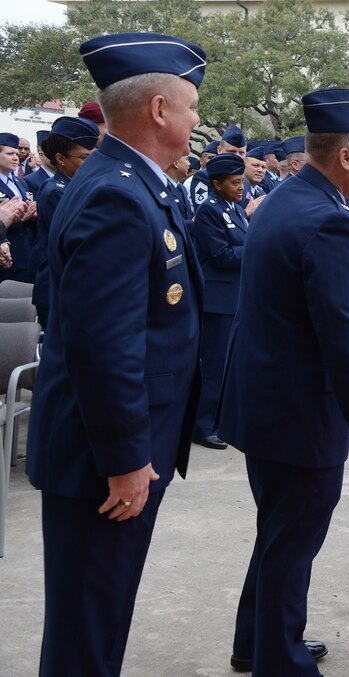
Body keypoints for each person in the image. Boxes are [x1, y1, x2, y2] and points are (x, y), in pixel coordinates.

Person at [217, 88, 349, 674]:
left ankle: (257, 641)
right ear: (348, 157)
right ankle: (279, 661)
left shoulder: (288, 198)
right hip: (301, 413)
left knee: (278, 531)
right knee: (293, 540)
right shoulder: (329, 222)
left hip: (268, 404)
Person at [26, 32, 207, 677]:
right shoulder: (116, 193)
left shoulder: (128, 182)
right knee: (88, 622)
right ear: (159, 109)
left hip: (116, 448)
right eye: (190, 108)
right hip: (103, 459)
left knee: (99, 613)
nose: (195, 123)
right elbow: (106, 346)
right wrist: (128, 458)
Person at [191, 153, 249, 450]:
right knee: (213, 366)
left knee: (227, 365)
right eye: (235, 182)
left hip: (234, 298)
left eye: (242, 181)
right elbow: (221, 255)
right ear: (216, 184)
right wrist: (255, 249)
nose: (242, 187)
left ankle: (219, 421)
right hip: (217, 300)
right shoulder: (209, 211)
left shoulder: (234, 209)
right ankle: (203, 425)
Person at [30, 116, 99, 327]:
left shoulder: (76, 187)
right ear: (60, 158)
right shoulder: (56, 192)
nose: (91, 164)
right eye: (85, 158)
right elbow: (76, 241)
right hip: (57, 289)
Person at [0, 132, 38, 282]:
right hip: (5, 253)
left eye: (16, 153)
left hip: (24, 254)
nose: (16, 158)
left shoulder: (20, 182)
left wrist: (32, 214)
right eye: (10, 154)